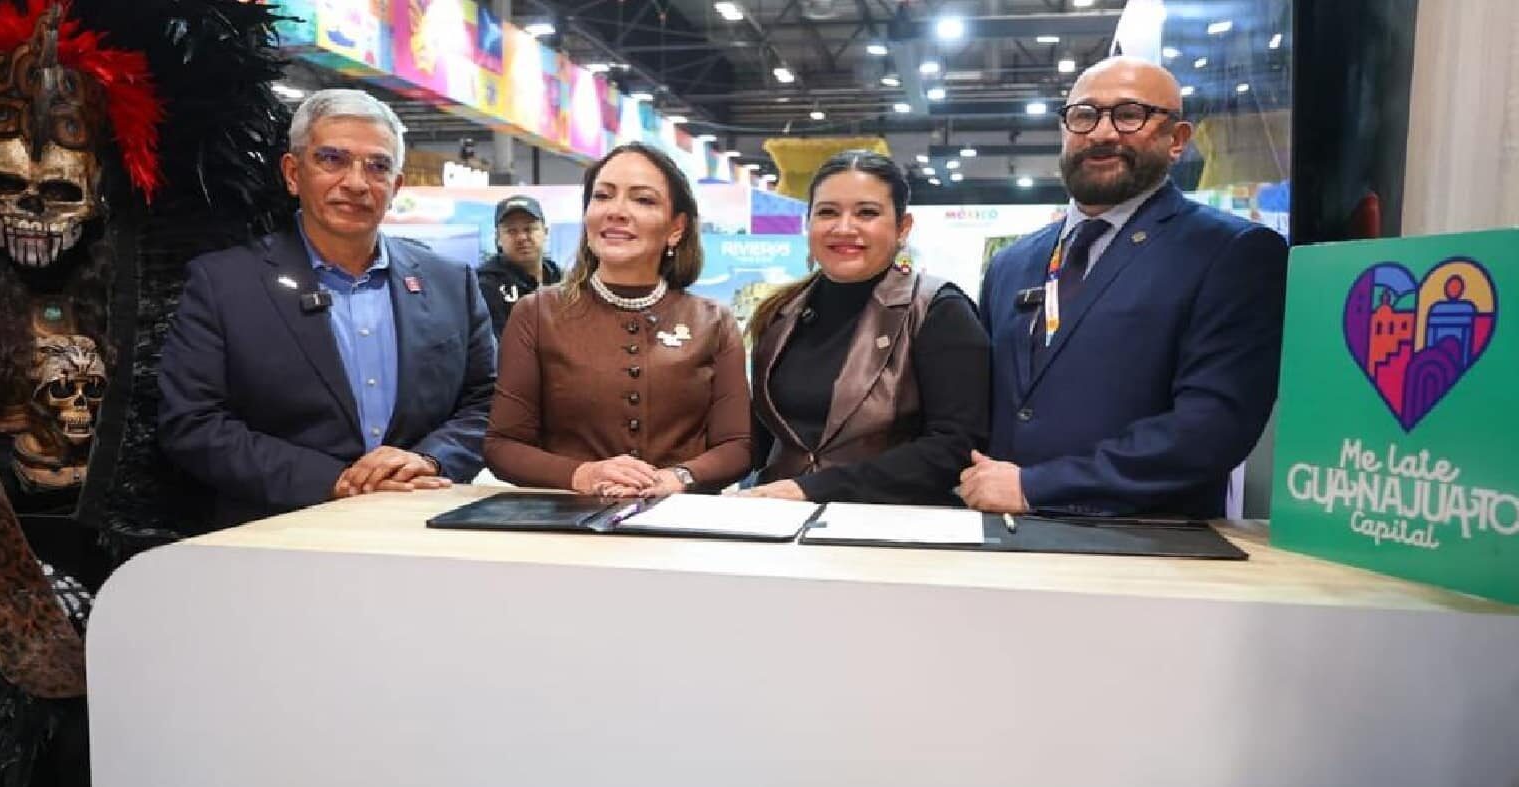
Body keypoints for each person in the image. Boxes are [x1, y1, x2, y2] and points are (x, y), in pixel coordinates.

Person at [962, 56, 1287, 519]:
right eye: (1084, 115)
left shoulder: (1231, 252)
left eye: (1129, 114)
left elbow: (1212, 427)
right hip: (1004, 530)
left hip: (1147, 539)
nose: (1102, 133)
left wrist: (1037, 486)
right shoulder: (1012, 264)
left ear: (1177, 140)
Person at [159, 89, 496, 528]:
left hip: (423, 527)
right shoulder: (224, 284)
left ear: (396, 187)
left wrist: (429, 459)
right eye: (332, 160)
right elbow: (193, 423)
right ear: (293, 173)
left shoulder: (450, 282)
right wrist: (336, 482)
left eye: (377, 166)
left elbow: (487, 403)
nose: (356, 183)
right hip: (279, 536)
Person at [484, 142, 751, 496]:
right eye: (603, 196)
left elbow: (737, 446)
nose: (616, 211)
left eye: (643, 200)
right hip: (568, 518)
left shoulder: (714, 321)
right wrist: (582, 474)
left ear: (676, 227)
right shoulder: (535, 313)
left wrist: (678, 478)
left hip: (679, 520)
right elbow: (503, 446)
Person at [741, 149, 990, 504]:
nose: (844, 228)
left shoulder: (939, 310)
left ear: (903, 227)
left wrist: (814, 489)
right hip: (779, 516)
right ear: (808, 223)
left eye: (867, 213)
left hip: (893, 521)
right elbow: (759, 437)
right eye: (827, 212)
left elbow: (956, 446)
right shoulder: (779, 313)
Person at [477, 194, 562, 337]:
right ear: (498, 238)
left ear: (545, 232)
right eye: (511, 231)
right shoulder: (483, 287)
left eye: (529, 229)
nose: (522, 237)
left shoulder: (565, 281)